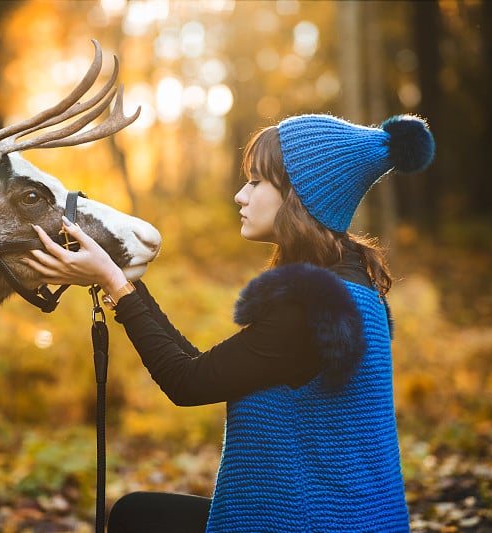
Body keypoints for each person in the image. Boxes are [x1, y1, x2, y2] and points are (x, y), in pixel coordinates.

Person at [24, 113, 435, 532]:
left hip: (312, 522)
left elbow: (187, 382)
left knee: (135, 517)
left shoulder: (313, 307)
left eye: (256, 182)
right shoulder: (350, 284)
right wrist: (118, 277)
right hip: (350, 519)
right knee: (138, 513)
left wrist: (112, 279)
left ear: (299, 195)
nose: (241, 195)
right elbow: (201, 367)